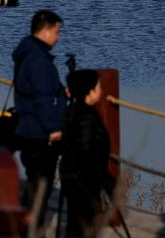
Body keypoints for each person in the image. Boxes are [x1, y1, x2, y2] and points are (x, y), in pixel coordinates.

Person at [12, 9, 67, 232]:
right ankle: (32, 230)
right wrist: (53, 128)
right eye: (57, 31)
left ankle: (29, 228)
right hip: (39, 133)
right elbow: (42, 97)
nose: (59, 36)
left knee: (35, 184)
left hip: (29, 129)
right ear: (45, 31)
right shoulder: (38, 60)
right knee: (40, 187)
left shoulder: (29, 53)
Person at [60, 69, 115, 238]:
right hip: (84, 182)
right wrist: (108, 183)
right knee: (84, 228)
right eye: (98, 86)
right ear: (89, 91)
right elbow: (88, 154)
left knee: (75, 226)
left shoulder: (72, 111)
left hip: (71, 177)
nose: (101, 90)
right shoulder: (87, 117)